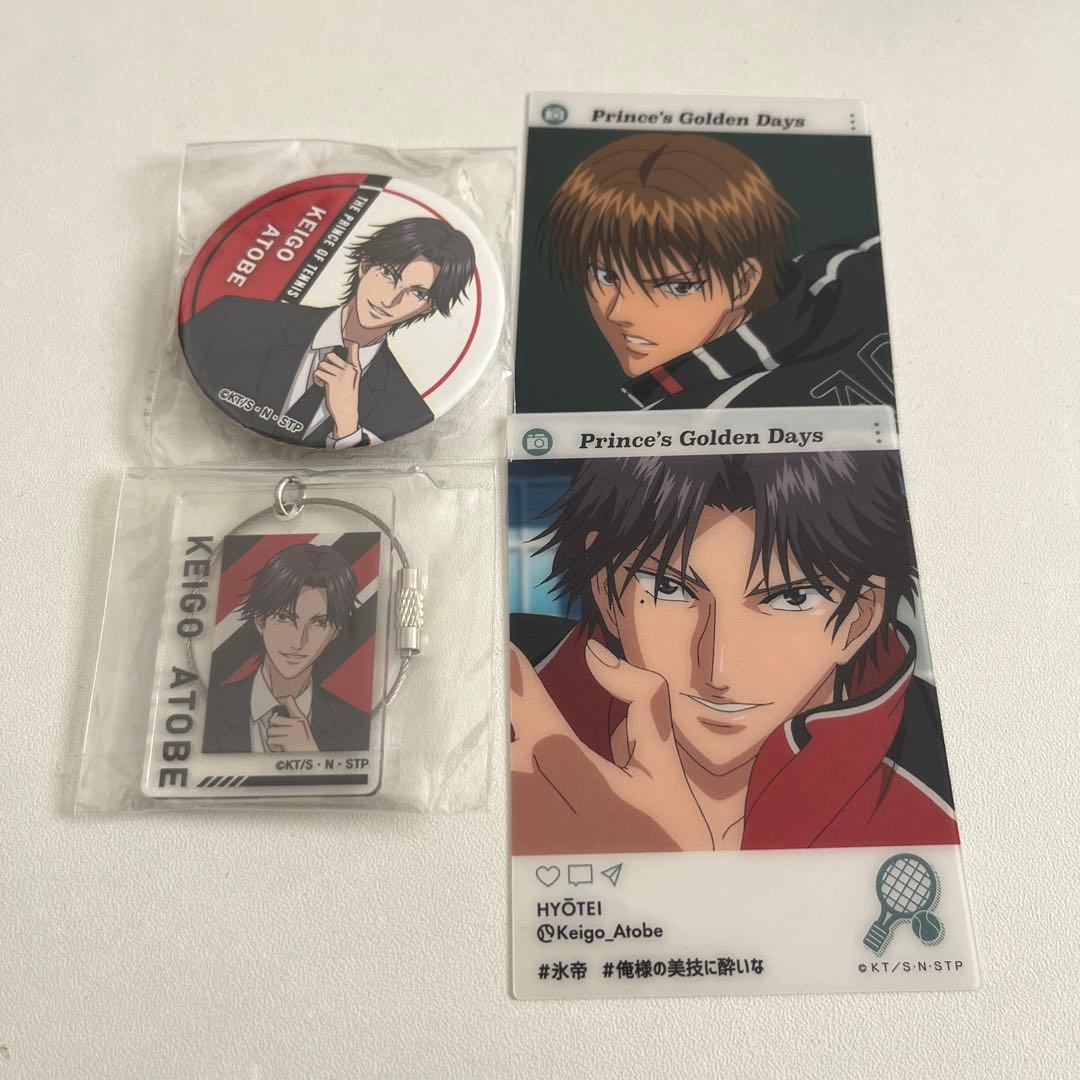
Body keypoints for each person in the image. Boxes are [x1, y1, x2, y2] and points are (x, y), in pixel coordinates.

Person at [510, 451, 958, 854]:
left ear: (860, 617)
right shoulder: (507, 689)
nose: (717, 670)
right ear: (606, 591)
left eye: (790, 598)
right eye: (669, 588)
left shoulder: (947, 776)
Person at [541, 133, 894, 411]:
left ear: (743, 283)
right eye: (606, 277)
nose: (619, 312)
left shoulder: (683, 433)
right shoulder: (857, 261)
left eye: (676, 287)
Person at [181, 217, 475, 447]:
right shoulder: (234, 318)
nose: (390, 299)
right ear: (365, 265)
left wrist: (347, 425)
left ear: (427, 307)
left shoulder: (407, 407)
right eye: (388, 273)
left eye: (417, 293)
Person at [203, 544, 369, 754]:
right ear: (260, 620)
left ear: (334, 632)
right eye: (284, 618)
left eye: (319, 623)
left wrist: (311, 757)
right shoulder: (210, 708)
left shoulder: (355, 725)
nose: (299, 641)